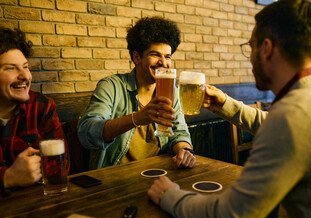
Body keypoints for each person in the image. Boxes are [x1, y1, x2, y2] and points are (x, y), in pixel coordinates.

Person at [147, 1, 311, 218]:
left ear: (266, 48)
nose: (249, 56)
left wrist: (169, 195)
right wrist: (225, 105)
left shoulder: (292, 115)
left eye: (251, 45)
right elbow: (278, 125)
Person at [77, 17, 195, 170]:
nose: (163, 63)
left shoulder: (172, 90)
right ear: (137, 57)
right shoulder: (111, 86)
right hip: (115, 179)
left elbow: (179, 132)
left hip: (159, 174)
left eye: (167, 56)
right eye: (155, 54)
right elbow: (87, 132)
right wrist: (137, 118)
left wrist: (183, 151)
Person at [0, 27, 68, 197]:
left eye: (25, 67)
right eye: (11, 68)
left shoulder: (42, 106)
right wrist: (8, 178)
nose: (25, 76)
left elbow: (63, 164)